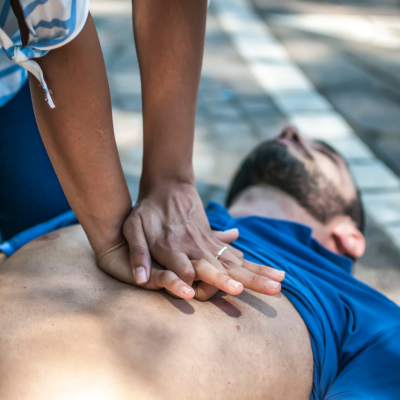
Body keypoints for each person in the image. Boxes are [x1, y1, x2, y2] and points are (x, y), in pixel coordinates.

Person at [1, 127, 399, 399]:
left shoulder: (373, 316)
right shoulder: (121, 206)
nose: (290, 130)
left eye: (325, 152)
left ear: (349, 236)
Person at [0, 0, 275, 299]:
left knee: (46, 217)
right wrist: (109, 237)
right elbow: (53, 29)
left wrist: (170, 179)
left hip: (10, 75)